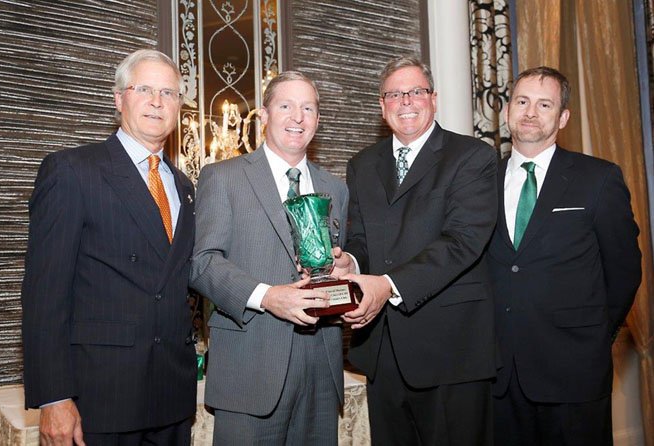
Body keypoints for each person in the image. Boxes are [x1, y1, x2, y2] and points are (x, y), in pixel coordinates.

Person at [22, 49, 197, 445]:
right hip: (99, 399)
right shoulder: (72, 170)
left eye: (169, 93)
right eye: (145, 89)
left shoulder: (184, 188)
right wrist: (54, 397)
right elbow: (44, 295)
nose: (157, 101)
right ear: (119, 99)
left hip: (171, 399)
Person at [335, 55, 499, 445]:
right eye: (394, 94)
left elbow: (463, 242)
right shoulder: (362, 164)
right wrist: (349, 261)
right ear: (382, 105)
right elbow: (360, 239)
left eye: (416, 91)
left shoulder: (472, 157)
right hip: (382, 351)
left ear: (434, 98)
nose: (406, 101)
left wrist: (386, 285)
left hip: (452, 352)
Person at [190, 71, 349, 445]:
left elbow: (340, 262)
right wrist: (267, 296)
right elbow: (202, 262)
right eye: (286, 106)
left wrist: (349, 265)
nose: (298, 117)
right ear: (263, 116)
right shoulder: (223, 177)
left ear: (317, 120)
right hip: (250, 368)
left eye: (308, 108)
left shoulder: (335, 188)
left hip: (321, 373)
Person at [487, 66, 641, 445]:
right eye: (522, 101)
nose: (530, 112)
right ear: (507, 111)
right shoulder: (479, 181)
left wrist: (591, 336)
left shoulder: (598, 178)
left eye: (544, 104)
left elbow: (623, 271)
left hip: (574, 372)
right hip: (498, 375)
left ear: (563, 117)